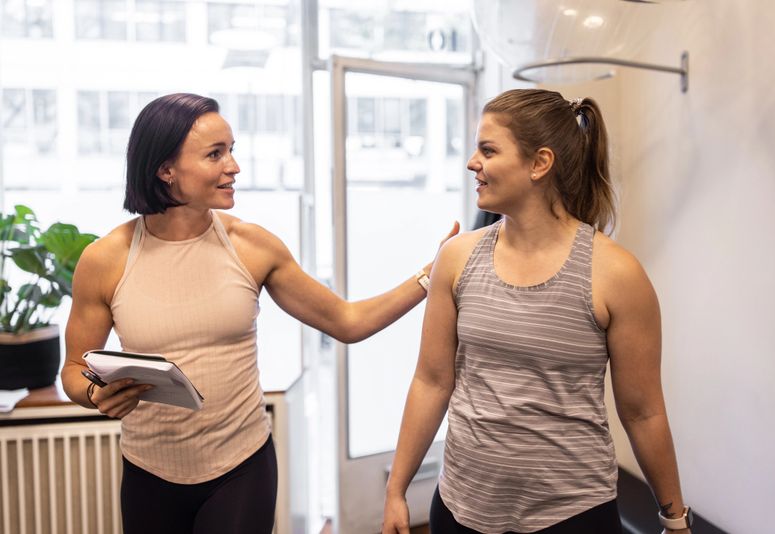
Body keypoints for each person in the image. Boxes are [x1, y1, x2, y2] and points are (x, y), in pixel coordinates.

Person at [60, 93, 457, 534]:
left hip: (240, 468)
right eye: (216, 154)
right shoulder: (105, 260)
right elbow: (75, 370)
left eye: (232, 150)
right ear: (165, 169)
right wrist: (95, 395)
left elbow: (348, 322)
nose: (234, 166)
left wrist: (430, 276)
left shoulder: (252, 246)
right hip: (147, 471)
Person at [382, 89, 692, 534]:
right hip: (459, 510)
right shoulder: (457, 257)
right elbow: (431, 381)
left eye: (488, 150)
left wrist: (675, 517)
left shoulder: (616, 274)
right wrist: (396, 490)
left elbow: (643, 411)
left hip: (573, 515)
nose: (472, 162)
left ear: (539, 163)